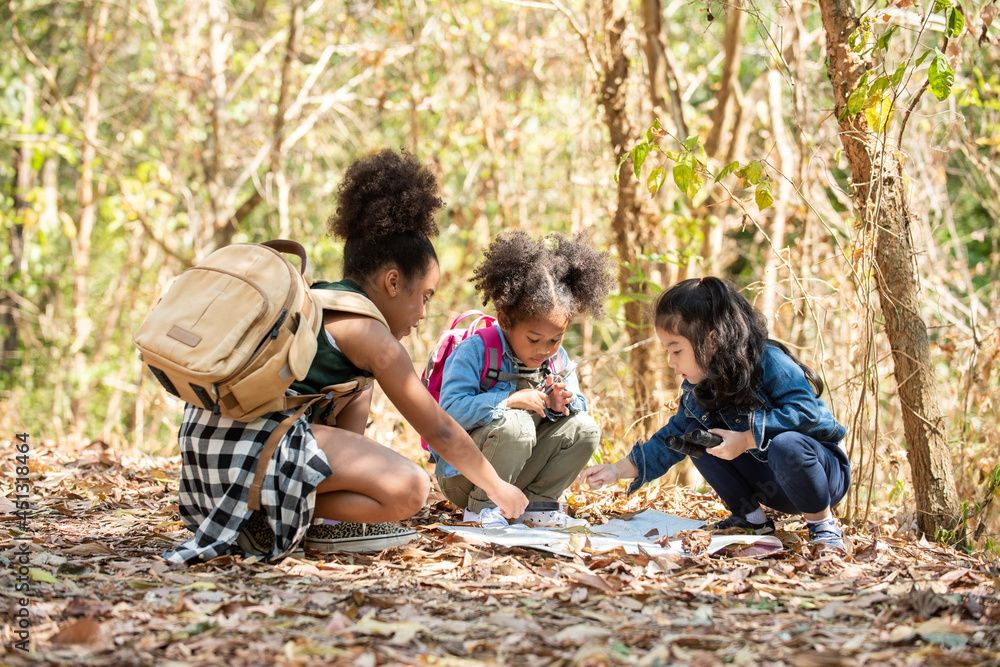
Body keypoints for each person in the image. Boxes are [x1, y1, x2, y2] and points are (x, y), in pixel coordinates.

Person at [163, 149, 527, 565]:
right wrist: (499, 488)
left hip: (205, 461)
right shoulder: (371, 336)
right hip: (245, 459)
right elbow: (440, 431)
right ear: (392, 281)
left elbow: (350, 443)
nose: (424, 314)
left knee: (359, 398)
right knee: (410, 487)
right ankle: (258, 520)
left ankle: (270, 515)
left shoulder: (319, 299)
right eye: (424, 297)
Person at [578, 277, 850, 552]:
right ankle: (752, 520)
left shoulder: (769, 361)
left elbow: (809, 414)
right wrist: (615, 470)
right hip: (771, 483)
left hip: (820, 477)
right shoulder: (700, 389)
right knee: (695, 440)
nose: (671, 362)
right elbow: (668, 441)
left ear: (712, 340)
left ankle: (822, 525)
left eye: (676, 350)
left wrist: (747, 438)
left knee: (786, 444)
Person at [435, 231, 612, 529]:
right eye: (534, 339)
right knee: (516, 424)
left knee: (585, 429)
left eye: (555, 340)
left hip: (520, 469)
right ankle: (482, 510)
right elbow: (447, 413)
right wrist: (508, 401)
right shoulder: (476, 351)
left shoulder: (557, 359)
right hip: (464, 477)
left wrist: (561, 405)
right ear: (505, 321)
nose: (544, 349)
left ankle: (537, 505)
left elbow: (577, 406)